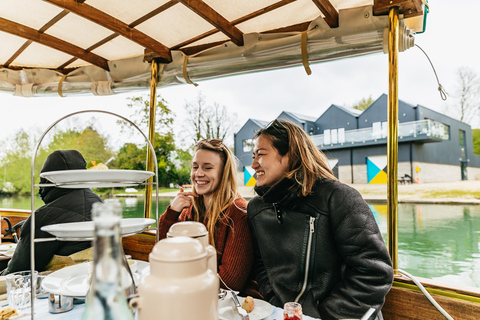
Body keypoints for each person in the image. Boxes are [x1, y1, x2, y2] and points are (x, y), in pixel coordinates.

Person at [247, 119, 394, 320]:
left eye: (261, 155)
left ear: (290, 155)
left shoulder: (339, 198)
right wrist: (277, 304)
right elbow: (261, 265)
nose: (254, 164)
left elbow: (374, 273)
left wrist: (323, 316)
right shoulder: (256, 209)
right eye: (253, 156)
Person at [158, 139, 253, 292]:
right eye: (195, 167)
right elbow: (163, 252)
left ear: (224, 173)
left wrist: (181, 271)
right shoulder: (189, 209)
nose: (198, 174)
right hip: (190, 291)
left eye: (208, 168)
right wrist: (172, 213)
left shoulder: (238, 212)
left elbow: (229, 282)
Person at [2, 150, 102, 275]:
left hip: (58, 288)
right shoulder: (100, 204)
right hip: (98, 279)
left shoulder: (41, 218)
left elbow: (17, 272)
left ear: (46, 181)